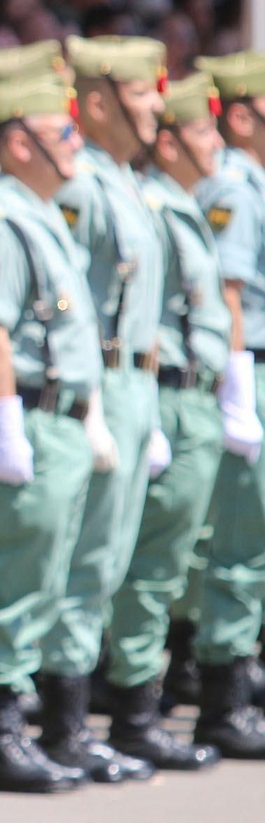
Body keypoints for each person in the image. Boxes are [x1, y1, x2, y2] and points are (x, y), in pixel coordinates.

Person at [24, 37, 168, 783]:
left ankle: (75, 719)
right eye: (145, 94)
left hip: (134, 381)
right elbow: (71, 310)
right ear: (103, 101)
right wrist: (93, 408)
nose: (158, 108)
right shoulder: (82, 190)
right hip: (100, 382)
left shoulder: (119, 178)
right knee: (80, 562)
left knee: (107, 559)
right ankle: (61, 722)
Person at [0, 74, 99, 793]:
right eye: (63, 133)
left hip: (65, 414)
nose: (77, 145)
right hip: (35, 418)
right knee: (14, 579)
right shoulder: (6, 218)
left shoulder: (43, 211)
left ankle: (24, 724)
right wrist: (5, 424)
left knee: (48, 580)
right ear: (20, 144)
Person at [105, 71, 250, 760]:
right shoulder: (154, 205)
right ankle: (133, 711)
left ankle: (145, 704)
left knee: (172, 557)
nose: (213, 144)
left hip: (194, 390)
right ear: (166, 145)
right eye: (198, 131)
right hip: (164, 391)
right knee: (152, 560)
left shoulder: (179, 202)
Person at [182, 56, 265, 757]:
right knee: (240, 545)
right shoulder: (237, 188)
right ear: (242, 116)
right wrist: (239, 388)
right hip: (251, 371)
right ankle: (223, 699)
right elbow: (232, 292)